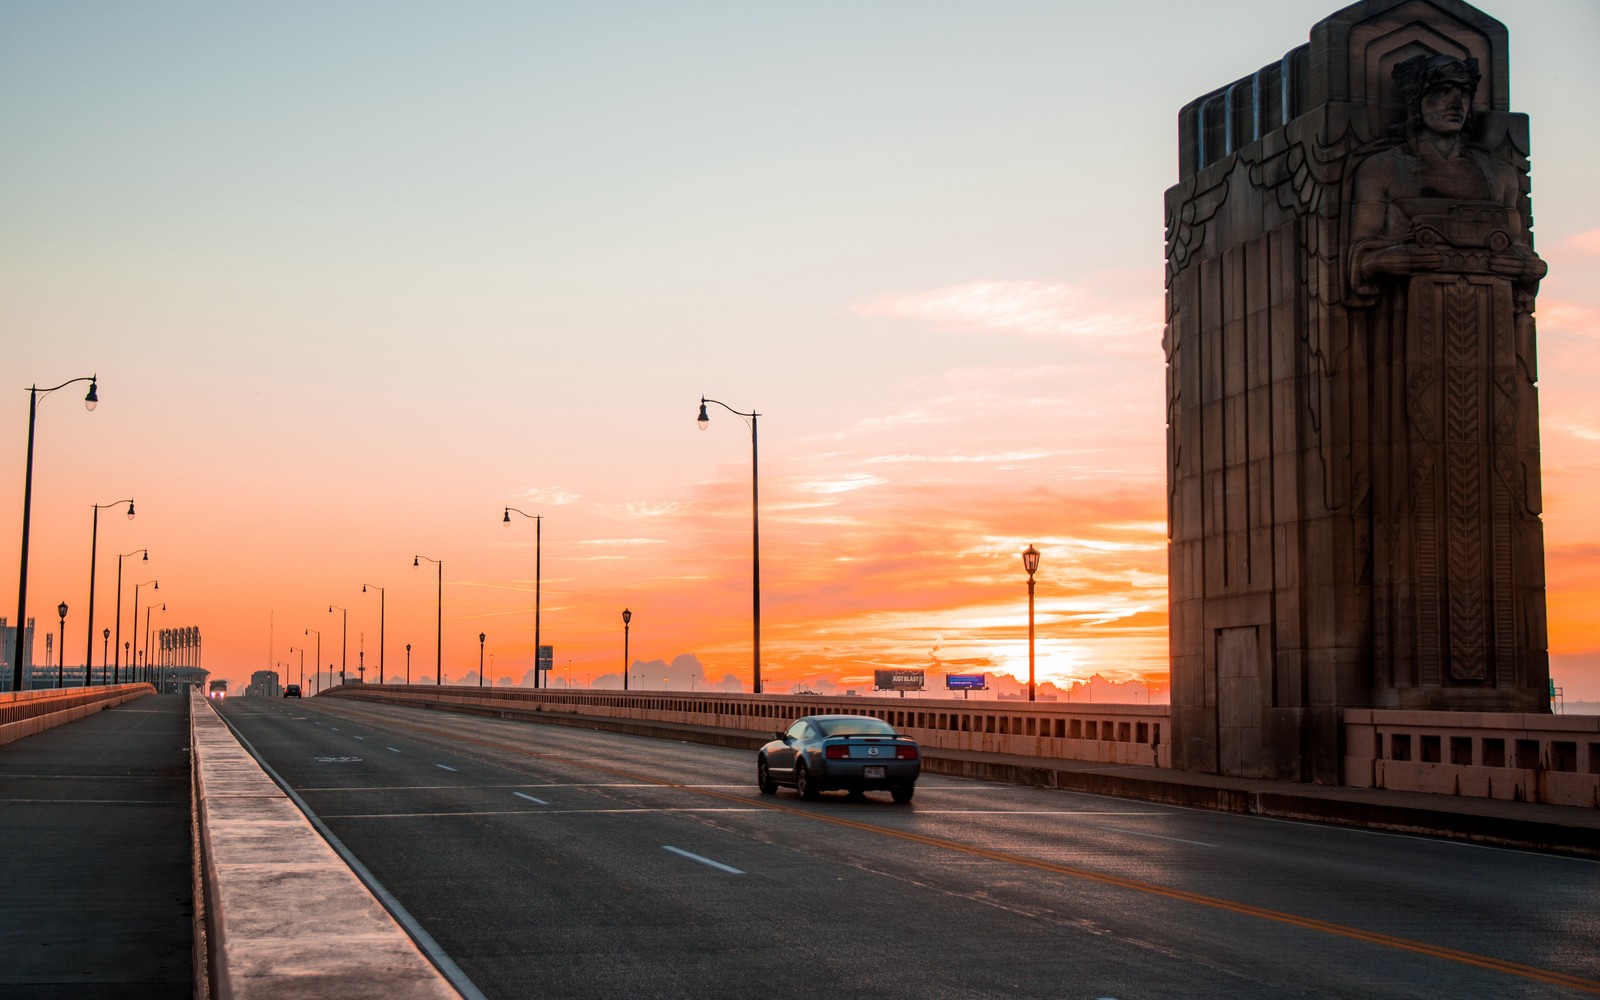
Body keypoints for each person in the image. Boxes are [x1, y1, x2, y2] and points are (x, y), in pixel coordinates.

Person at [1347, 53, 1544, 307]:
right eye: (1442, 91)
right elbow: (1361, 258)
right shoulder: (1380, 168)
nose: (1456, 103)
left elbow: (1520, 251)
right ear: (1417, 100)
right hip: (1410, 311)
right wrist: (1393, 259)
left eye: (1464, 93)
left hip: (1489, 312)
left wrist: (1527, 266)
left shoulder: (1500, 174)